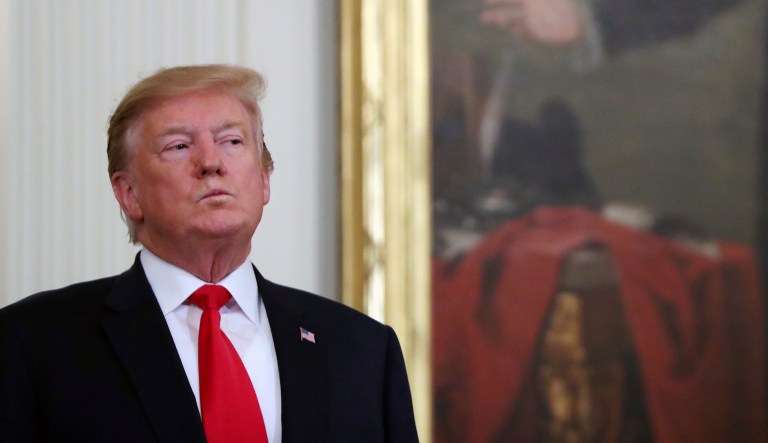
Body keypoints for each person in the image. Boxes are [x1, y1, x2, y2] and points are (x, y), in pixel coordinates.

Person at [0, 64, 419, 442]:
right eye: (179, 146)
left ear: (264, 179)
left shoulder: (363, 350)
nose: (211, 162)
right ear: (129, 193)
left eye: (231, 140)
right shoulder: (32, 343)